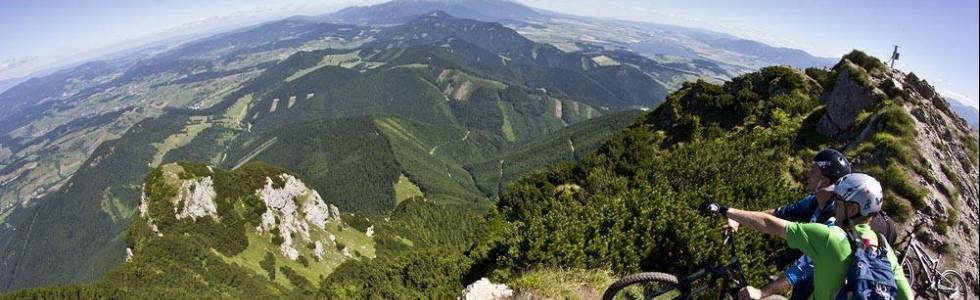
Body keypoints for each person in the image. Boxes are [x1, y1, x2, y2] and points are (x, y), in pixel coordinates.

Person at [702, 173, 914, 300]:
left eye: (839, 201)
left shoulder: (830, 237)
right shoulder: (883, 247)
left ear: (852, 209)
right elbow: (906, 296)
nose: (835, 206)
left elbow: (769, 224)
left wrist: (725, 210)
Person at [727, 149, 898, 300]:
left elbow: (802, 266)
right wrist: (740, 219)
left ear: (823, 180)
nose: (808, 174)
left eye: (813, 171)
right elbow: (779, 214)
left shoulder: (833, 223)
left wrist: (762, 292)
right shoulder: (814, 202)